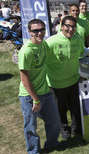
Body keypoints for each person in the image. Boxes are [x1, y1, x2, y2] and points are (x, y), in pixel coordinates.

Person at [18, 19, 60, 153]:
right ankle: (33, 151)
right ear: (29, 32)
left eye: (42, 29)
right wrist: (35, 99)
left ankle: (52, 144)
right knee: (30, 126)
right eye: (36, 30)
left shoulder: (43, 45)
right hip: (29, 96)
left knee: (54, 121)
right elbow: (24, 79)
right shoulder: (26, 51)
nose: (40, 33)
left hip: (45, 92)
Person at [46, 16, 85, 140]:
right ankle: (63, 128)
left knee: (75, 106)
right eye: (67, 26)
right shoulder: (51, 42)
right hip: (57, 84)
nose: (70, 29)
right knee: (60, 109)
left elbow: (82, 52)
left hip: (74, 80)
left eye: (73, 26)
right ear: (61, 26)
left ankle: (76, 128)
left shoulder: (78, 39)